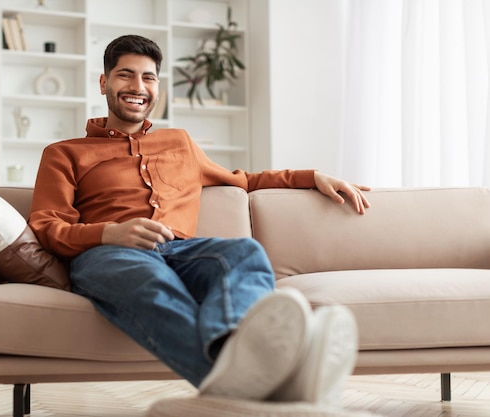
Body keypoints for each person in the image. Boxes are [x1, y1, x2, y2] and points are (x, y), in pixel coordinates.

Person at [28, 35, 371, 406]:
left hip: (180, 250)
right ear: (104, 83)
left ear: (157, 86)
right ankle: (275, 389)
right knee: (149, 281)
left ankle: (241, 371)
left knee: (242, 253)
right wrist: (111, 232)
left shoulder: (180, 144)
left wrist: (313, 176)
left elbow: (245, 180)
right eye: (125, 76)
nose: (137, 87)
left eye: (148, 78)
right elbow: (47, 226)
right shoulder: (64, 153)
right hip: (109, 253)